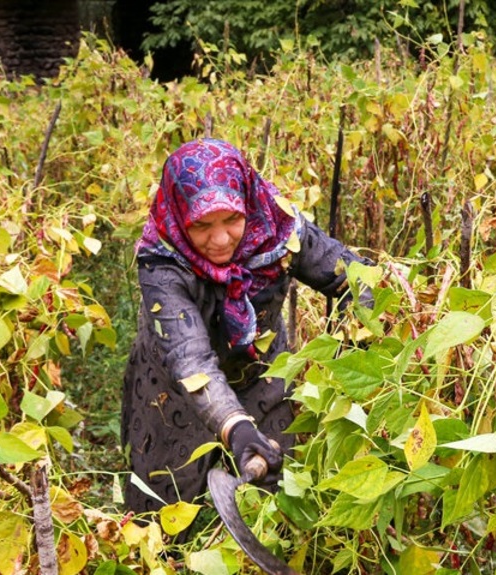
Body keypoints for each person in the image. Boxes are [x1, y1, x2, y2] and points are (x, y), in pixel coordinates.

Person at [121, 138, 368, 515]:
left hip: (262, 377)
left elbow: (357, 280)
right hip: (173, 391)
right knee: (162, 510)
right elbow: (190, 359)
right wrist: (234, 425)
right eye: (201, 225)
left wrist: (346, 362)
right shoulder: (161, 259)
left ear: (248, 204)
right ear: (179, 215)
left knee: (278, 499)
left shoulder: (280, 229)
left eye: (232, 220)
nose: (220, 240)